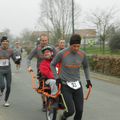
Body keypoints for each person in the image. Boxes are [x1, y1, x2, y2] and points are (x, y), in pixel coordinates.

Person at [50, 34, 92, 120]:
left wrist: (88, 80)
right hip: (65, 85)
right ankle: (63, 117)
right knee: (70, 111)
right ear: (70, 44)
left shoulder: (82, 54)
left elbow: (86, 66)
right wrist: (57, 78)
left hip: (77, 84)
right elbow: (52, 64)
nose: (76, 48)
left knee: (80, 111)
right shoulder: (62, 53)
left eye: (78, 46)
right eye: (74, 46)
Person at [27, 34, 56, 111]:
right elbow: (29, 58)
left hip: (52, 70)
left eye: (45, 40)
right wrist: (29, 66)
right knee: (43, 88)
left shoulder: (52, 48)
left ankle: (55, 100)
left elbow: (57, 57)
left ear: (47, 40)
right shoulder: (37, 48)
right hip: (41, 71)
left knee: (56, 84)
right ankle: (44, 103)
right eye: (42, 41)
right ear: (40, 41)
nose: (44, 42)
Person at [0, 36, 17, 107]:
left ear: (8, 43)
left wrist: (17, 60)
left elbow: (14, 59)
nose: (5, 43)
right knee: (2, 85)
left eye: (6, 42)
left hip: (8, 70)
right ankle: (1, 91)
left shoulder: (10, 50)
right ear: (1, 43)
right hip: (0, 70)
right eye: (3, 42)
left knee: (9, 86)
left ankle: (6, 101)